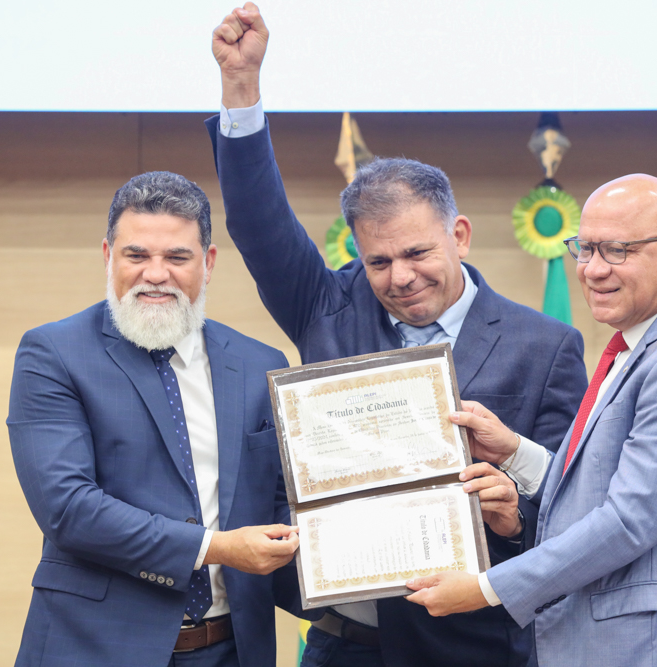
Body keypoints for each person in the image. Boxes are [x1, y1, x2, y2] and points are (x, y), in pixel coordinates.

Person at [208, 6, 588, 667]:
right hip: (340, 643)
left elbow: (573, 512)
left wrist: (511, 512)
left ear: (459, 235)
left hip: (473, 649)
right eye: (379, 261)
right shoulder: (327, 305)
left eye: (417, 253)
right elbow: (257, 219)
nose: (400, 277)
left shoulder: (545, 346)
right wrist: (241, 87)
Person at [406, 174, 657, 667]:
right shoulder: (639, 344)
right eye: (585, 248)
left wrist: (485, 589)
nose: (592, 270)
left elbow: (627, 522)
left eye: (616, 250)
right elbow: (596, 490)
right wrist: (512, 451)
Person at [7, 171, 303, 667]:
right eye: (137, 255)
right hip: (94, 648)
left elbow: (282, 502)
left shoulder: (260, 364)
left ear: (207, 264)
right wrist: (217, 548)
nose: (156, 274)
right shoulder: (53, 353)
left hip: (233, 648)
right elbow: (69, 509)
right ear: (108, 256)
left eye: (177, 257)